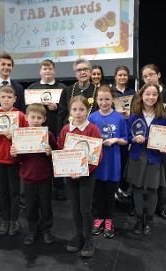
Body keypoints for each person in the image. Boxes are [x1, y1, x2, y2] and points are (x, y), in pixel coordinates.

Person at [58, 95, 102, 258]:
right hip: (70, 176)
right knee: (75, 207)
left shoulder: (93, 129)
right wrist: (69, 170)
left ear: (87, 110)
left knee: (85, 208)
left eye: (81, 109)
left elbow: (97, 156)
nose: (78, 113)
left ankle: (89, 238)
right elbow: (61, 150)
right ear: (70, 110)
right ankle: (79, 235)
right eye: (75, 109)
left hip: (86, 176)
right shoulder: (65, 129)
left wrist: (84, 171)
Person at [126, 83, 166, 235]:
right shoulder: (134, 115)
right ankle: (139, 220)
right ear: (141, 95)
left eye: (154, 94)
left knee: (153, 189)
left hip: (154, 156)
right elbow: (127, 136)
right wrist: (133, 139)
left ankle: (149, 220)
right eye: (147, 94)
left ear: (158, 97)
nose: (150, 97)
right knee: (137, 188)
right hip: (137, 156)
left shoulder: (164, 116)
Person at [10, 104, 58, 245]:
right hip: (28, 177)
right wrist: (13, 154)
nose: (36, 120)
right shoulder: (20, 135)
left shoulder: (48, 135)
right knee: (30, 207)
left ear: (44, 119)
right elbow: (16, 160)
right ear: (26, 118)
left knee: (46, 206)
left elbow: (56, 155)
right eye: (33, 117)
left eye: (39, 117)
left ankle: (46, 230)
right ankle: (32, 230)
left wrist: (50, 152)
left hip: (45, 177)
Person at [0, 85, 28, 236]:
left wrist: (16, 136)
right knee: (2, 192)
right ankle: (5, 220)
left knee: (15, 192)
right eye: (3, 97)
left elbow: (26, 137)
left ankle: (14, 220)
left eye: (9, 97)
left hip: (14, 160)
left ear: (15, 99)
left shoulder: (21, 115)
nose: (6, 99)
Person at [88, 85, 128, 238]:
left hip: (113, 163)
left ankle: (109, 220)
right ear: (96, 100)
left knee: (110, 194)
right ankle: (98, 219)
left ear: (112, 100)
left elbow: (125, 139)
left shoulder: (119, 117)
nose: (103, 102)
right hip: (97, 162)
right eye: (100, 99)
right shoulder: (92, 117)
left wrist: (115, 140)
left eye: (107, 99)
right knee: (98, 194)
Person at [26, 59, 67, 200]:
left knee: (56, 158)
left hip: (55, 129)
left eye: (50, 69)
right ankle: (43, 187)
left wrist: (57, 108)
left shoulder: (62, 88)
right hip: (35, 132)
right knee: (39, 160)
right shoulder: (32, 88)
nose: (47, 71)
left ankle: (59, 187)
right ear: (40, 71)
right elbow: (28, 111)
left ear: (54, 71)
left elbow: (67, 110)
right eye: (44, 69)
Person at [141, 63, 166, 221]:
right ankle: (141, 208)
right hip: (142, 146)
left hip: (159, 146)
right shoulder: (140, 94)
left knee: (158, 180)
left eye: (151, 74)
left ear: (159, 75)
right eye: (145, 76)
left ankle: (158, 207)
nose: (148, 78)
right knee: (141, 180)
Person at [111, 66, 136, 205]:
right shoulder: (110, 92)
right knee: (115, 162)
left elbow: (137, 112)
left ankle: (124, 190)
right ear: (115, 76)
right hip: (114, 132)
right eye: (120, 75)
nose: (122, 77)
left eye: (125, 75)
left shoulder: (133, 93)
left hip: (128, 132)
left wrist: (130, 115)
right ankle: (113, 191)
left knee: (125, 163)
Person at [57, 58, 98, 133]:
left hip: (91, 131)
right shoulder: (67, 91)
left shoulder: (98, 91)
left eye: (85, 69)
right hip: (70, 131)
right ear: (75, 74)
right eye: (79, 70)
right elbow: (61, 115)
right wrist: (59, 134)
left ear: (90, 72)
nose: (82, 72)